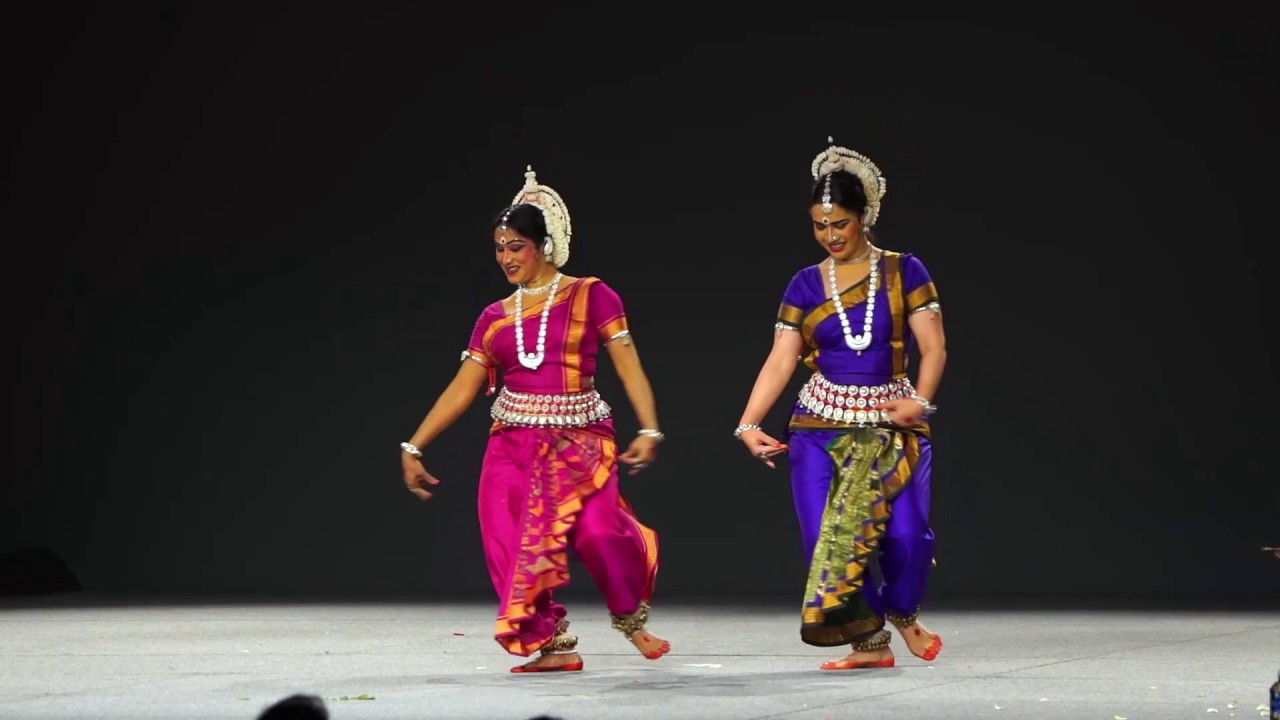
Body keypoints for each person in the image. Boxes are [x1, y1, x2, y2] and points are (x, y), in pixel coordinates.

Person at [399, 166, 671, 673]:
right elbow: (463, 386)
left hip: (581, 439)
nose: (506, 258)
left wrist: (649, 427)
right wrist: (415, 445)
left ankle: (631, 618)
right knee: (507, 539)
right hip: (511, 442)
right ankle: (554, 647)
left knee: (599, 534)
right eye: (499, 248)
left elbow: (628, 360)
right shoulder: (493, 316)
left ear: (543, 246)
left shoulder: (592, 294)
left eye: (516, 246)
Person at [733, 138, 947, 670]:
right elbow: (781, 359)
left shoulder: (904, 271)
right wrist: (748, 423)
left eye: (841, 224)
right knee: (824, 539)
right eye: (819, 226)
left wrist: (918, 401)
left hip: (892, 425)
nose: (830, 236)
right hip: (819, 424)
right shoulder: (804, 284)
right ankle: (869, 644)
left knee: (907, 536)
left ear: (864, 217)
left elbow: (935, 346)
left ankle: (903, 612)